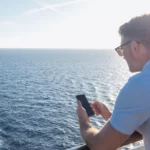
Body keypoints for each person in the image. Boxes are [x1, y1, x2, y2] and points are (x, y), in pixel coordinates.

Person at [77, 14, 150, 150]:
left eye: (121, 49)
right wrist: (110, 116)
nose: (122, 56)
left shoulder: (141, 84)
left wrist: (84, 121)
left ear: (134, 46)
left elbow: (99, 146)